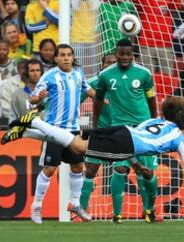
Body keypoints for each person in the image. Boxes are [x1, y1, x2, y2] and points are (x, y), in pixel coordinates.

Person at [1, 96, 184, 208]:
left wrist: (136, 165)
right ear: (181, 116)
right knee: (77, 147)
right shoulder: (179, 138)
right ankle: (34, 121)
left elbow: (136, 135)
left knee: (75, 142)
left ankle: (26, 132)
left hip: (123, 130)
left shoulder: (154, 121)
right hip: (125, 143)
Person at [2, 44, 95, 224]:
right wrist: (39, 97)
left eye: (69, 55)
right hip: (54, 128)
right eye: (63, 55)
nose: (67, 58)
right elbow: (33, 98)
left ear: (73, 57)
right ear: (56, 59)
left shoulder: (78, 74)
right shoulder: (49, 76)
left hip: (73, 128)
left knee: (77, 167)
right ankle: (36, 206)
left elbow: (87, 89)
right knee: (50, 169)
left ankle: (75, 204)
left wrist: (101, 97)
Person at [92, 39, 158, 224]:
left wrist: (154, 124)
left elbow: (151, 100)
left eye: (128, 54)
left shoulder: (144, 74)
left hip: (143, 127)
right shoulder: (105, 75)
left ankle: (149, 210)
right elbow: (97, 100)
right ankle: (117, 214)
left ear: (133, 55)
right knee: (120, 168)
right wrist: (95, 125)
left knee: (147, 173)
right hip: (120, 128)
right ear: (117, 53)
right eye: (121, 54)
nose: (125, 58)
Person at [78, 53, 116, 216]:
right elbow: (75, 99)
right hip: (100, 132)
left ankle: (147, 210)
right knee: (91, 170)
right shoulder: (93, 82)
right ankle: (80, 210)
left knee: (131, 169)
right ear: (102, 65)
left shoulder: (124, 81)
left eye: (114, 62)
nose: (111, 65)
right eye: (108, 62)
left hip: (122, 131)